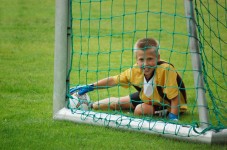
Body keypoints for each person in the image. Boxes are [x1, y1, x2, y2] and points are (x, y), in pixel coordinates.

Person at [70, 38, 187, 121]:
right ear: (136, 60)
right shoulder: (134, 71)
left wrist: (173, 118)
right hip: (147, 97)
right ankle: (89, 105)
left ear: (158, 58)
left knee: (139, 110)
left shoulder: (166, 70)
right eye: (142, 60)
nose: (146, 64)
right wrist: (91, 86)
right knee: (106, 105)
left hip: (167, 104)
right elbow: (113, 80)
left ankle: (165, 113)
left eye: (150, 59)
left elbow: (174, 97)